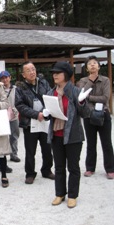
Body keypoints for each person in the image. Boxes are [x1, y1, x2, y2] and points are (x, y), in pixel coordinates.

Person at [44, 62, 91, 208]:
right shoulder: (52, 92)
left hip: (73, 136)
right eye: (54, 72)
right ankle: (60, 194)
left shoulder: (76, 91)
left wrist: (81, 102)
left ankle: (72, 195)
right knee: (58, 167)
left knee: (73, 167)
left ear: (66, 75)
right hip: (56, 134)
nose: (55, 75)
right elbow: (50, 113)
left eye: (58, 72)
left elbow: (86, 113)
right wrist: (46, 114)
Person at [15, 61, 55, 184]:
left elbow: (50, 97)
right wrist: (36, 114)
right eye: (28, 70)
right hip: (29, 123)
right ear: (23, 74)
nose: (32, 72)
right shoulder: (20, 88)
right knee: (30, 150)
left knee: (47, 148)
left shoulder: (43, 83)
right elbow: (20, 105)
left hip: (45, 121)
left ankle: (47, 170)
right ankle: (30, 173)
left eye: (33, 69)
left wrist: (44, 113)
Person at [77, 55, 114, 179]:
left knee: (107, 143)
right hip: (88, 115)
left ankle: (110, 169)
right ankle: (90, 168)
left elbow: (105, 98)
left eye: (94, 63)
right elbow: (81, 96)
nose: (92, 65)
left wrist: (89, 97)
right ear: (87, 68)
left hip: (103, 114)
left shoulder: (105, 80)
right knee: (91, 143)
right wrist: (90, 81)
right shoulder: (82, 81)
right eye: (89, 64)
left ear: (98, 66)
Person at [0, 70, 20, 163]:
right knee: (0, 137)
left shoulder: (16, 89)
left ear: (10, 77)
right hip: (2, 115)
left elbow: (20, 100)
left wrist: (17, 109)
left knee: (14, 136)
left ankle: (14, 154)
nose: (4, 80)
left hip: (14, 115)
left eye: (6, 77)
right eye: (2, 78)